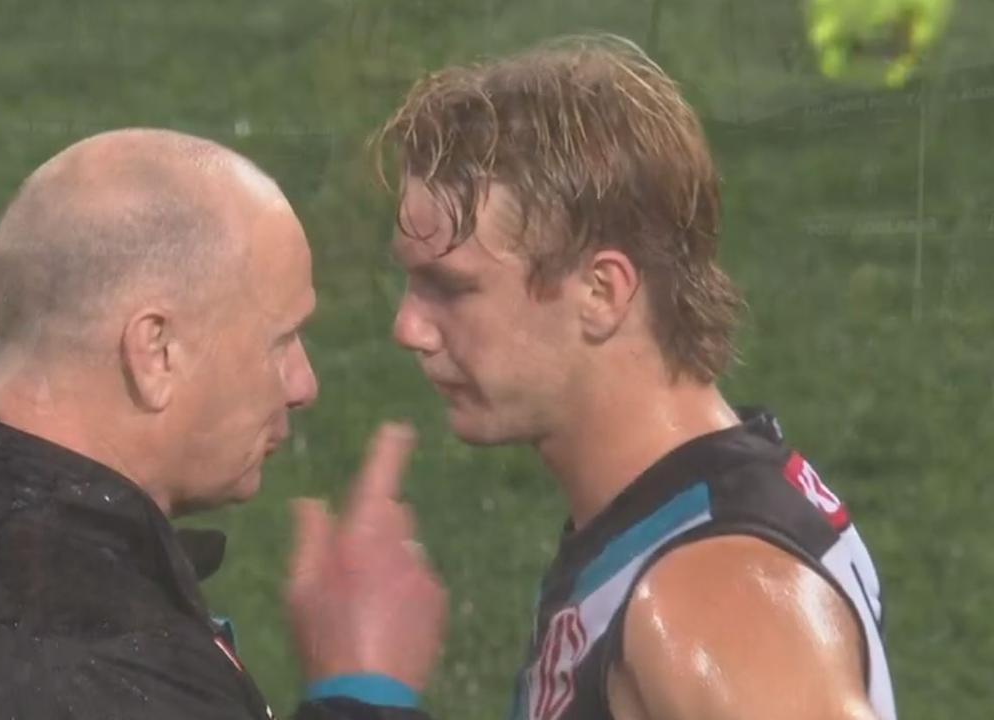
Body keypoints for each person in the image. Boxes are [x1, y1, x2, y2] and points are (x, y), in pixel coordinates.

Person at [0, 128, 445, 719]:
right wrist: (362, 694)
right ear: (155, 350)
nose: (304, 384)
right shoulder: (115, 666)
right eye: (280, 341)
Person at [356, 34, 896, 719]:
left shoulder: (716, 600)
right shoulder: (675, 523)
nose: (409, 327)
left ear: (602, 293)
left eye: (452, 288)